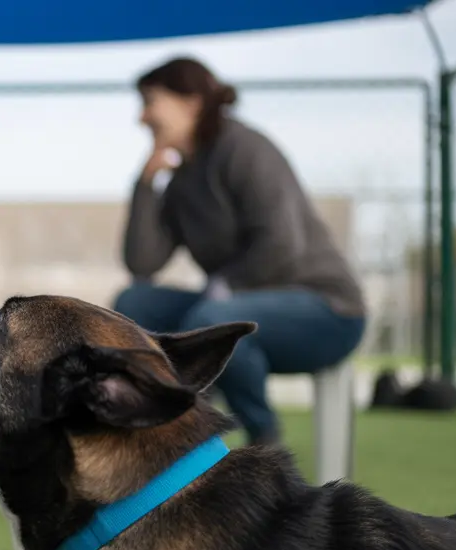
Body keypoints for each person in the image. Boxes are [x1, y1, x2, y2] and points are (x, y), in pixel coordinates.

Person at [114, 56, 367, 447]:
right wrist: (145, 184)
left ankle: (265, 440)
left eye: (150, 102)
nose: (142, 117)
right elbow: (143, 263)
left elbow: (282, 244)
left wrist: (224, 289)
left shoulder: (244, 148)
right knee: (134, 302)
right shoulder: (181, 182)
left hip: (326, 310)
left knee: (213, 319)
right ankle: (172, 433)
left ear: (192, 102)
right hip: (233, 304)